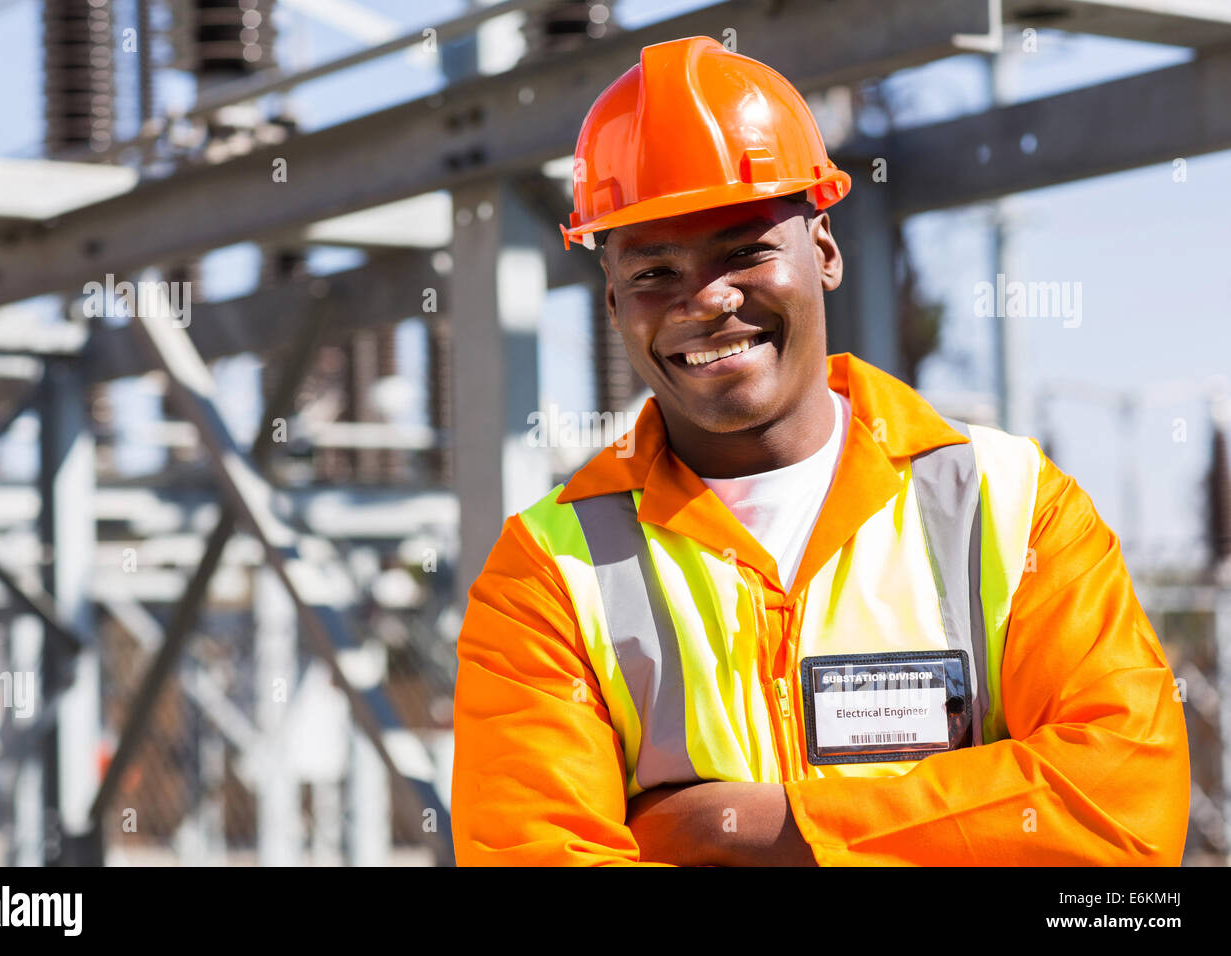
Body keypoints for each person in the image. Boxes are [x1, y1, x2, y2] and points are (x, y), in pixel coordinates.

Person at [450, 35, 1190, 866]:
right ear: (614, 301)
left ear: (825, 253)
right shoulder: (544, 576)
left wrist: (747, 828)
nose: (708, 300)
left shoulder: (1013, 506)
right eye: (656, 270)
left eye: (746, 250)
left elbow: (1123, 813)